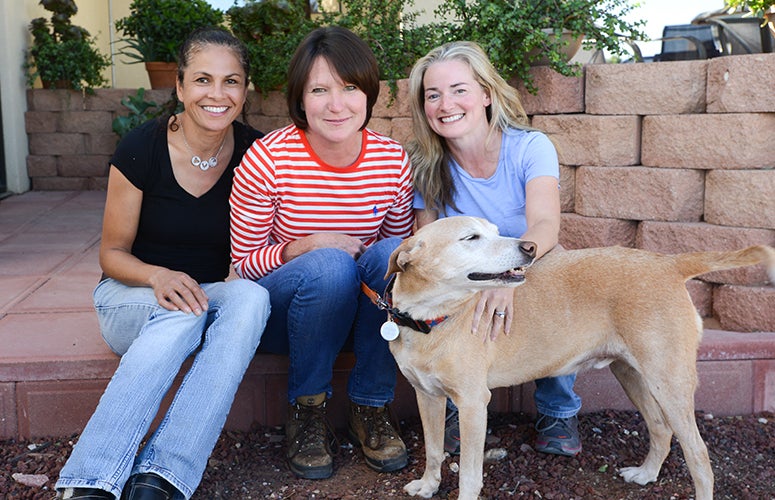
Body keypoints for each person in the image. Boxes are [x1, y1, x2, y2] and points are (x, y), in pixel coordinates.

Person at [55, 28, 270, 500]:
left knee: (252, 297)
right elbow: (111, 255)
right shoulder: (141, 148)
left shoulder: (260, 154)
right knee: (181, 313)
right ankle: (89, 480)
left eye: (231, 81)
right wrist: (158, 275)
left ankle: (163, 475)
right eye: (203, 80)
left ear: (246, 88)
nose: (217, 95)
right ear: (179, 86)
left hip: (206, 295)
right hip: (132, 296)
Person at [230, 26, 414, 480]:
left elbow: (391, 257)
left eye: (349, 88)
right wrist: (304, 247)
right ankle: (307, 410)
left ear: (368, 94)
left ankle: (371, 406)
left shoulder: (391, 161)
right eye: (320, 89)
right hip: (287, 315)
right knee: (330, 266)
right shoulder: (267, 158)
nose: (336, 105)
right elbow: (244, 264)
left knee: (395, 254)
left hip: (363, 315)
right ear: (300, 98)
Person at [407, 41, 583, 458]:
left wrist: (510, 275)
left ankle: (558, 408)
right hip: (468, 276)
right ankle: (455, 400)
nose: (445, 104)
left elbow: (546, 226)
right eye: (433, 95)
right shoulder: (426, 165)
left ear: (486, 93)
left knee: (557, 281)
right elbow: (427, 243)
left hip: (532, 258)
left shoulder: (529, 146)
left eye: (458, 90)